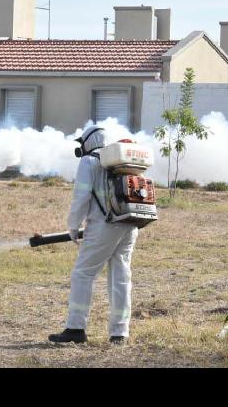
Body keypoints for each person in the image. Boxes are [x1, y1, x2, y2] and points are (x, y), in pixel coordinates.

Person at [48, 126, 139, 345]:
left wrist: (72, 226)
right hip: (130, 223)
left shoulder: (89, 161)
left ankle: (75, 328)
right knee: (120, 277)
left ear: (89, 141)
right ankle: (120, 332)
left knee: (83, 274)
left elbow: (81, 197)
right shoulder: (122, 161)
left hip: (103, 226)